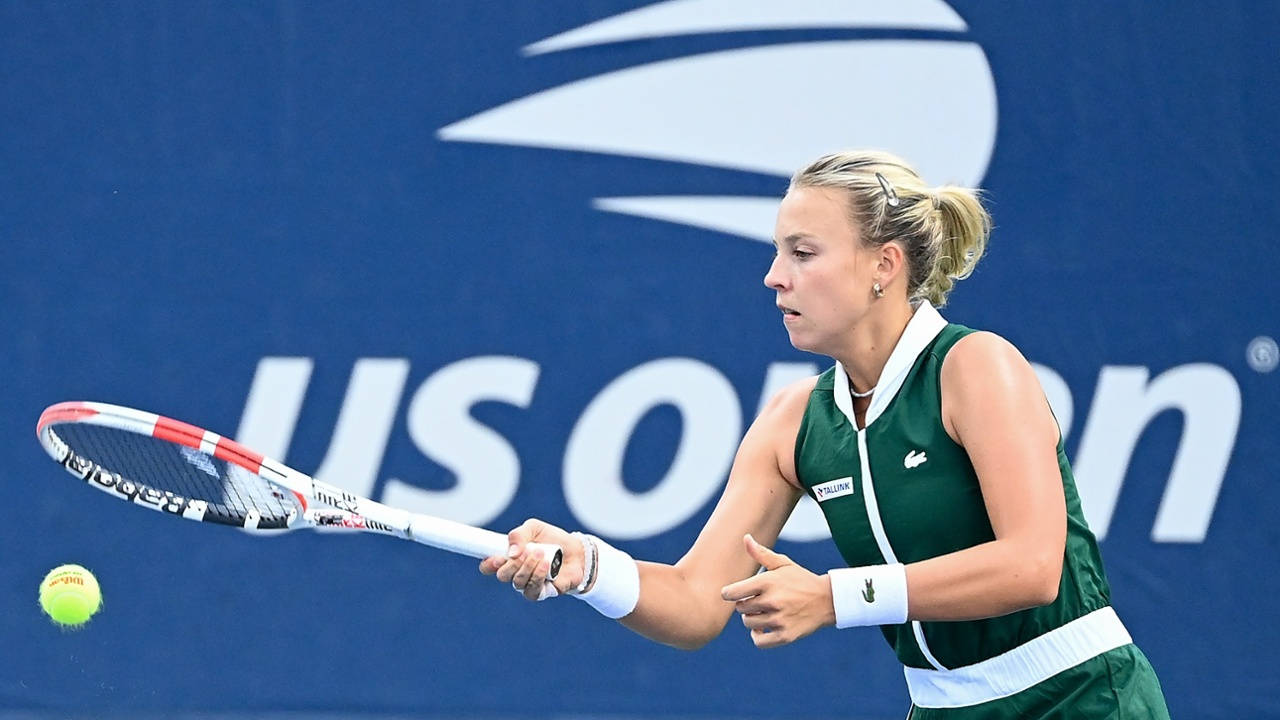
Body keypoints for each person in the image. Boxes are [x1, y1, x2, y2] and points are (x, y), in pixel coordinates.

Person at [481, 150, 1170, 718]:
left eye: (803, 252)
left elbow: (1032, 566)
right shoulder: (792, 423)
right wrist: (588, 568)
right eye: (778, 251)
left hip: (1081, 700)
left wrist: (836, 596)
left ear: (884, 266)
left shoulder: (975, 366)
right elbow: (695, 603)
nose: (774, 276)